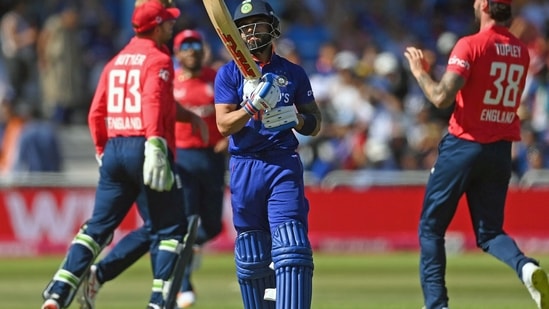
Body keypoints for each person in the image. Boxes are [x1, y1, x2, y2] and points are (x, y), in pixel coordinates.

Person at [41, 2, 188, 309]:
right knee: (170, 229)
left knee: (97, 227)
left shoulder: (115, 61)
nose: (172, 27)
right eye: (168, 23)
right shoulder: (159, 58)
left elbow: (96, 112)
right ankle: (160, 301)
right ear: (157, 26)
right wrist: (155, 144)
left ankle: (60, 289)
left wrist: (100, 151)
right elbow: (152, 102)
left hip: (114, 149)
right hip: (145, 144)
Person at [403, 0, 549, 308]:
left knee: (431, 229)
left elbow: (442, 97)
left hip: (464, 144)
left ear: (483, 5)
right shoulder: (521, 51)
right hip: (500, 150)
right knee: (490, 232)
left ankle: (437, 304)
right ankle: (526, 266)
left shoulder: (471, 44)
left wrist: (419, 72)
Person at [75, 28, 225, 309]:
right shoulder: (169, 78)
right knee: (175, 226)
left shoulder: (216, 79)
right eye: (185, 44)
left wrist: (227, 138)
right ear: (178, 51)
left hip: (211, 160)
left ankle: (105, 272)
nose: (192, 49)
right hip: (178, 160)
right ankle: (179, 287)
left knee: (205, 226)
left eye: (196, 44)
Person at [214, 1, 321, 308]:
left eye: (257, 25)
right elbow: (223, 125)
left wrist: (296, 118)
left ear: (271, 26)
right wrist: (251, 107)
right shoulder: (228, 74)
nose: (250, 32)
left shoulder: (293, 73)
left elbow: (315, 123)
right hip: (244, 166)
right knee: (252, 254)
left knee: (292, 247)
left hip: (281, 162)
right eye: (244, 27)